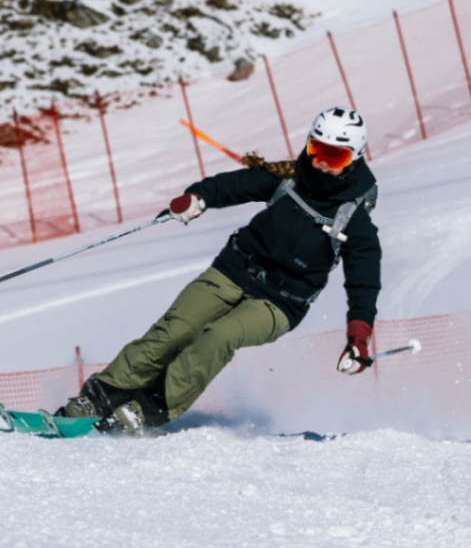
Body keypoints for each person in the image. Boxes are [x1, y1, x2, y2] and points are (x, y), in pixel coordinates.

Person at [59, 107, 381, 432]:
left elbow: (363, 282)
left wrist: (359, 336)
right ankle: (97, 399)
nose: (321, 162)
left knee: (219, 336)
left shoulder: (354, 218)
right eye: (316, 149)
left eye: (335, 156)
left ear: (354, 158)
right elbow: (232, 185)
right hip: (234, 268)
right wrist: (197, 198)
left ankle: (148, 408)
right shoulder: (288, 177)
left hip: (281, 301)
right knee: (174, 331)